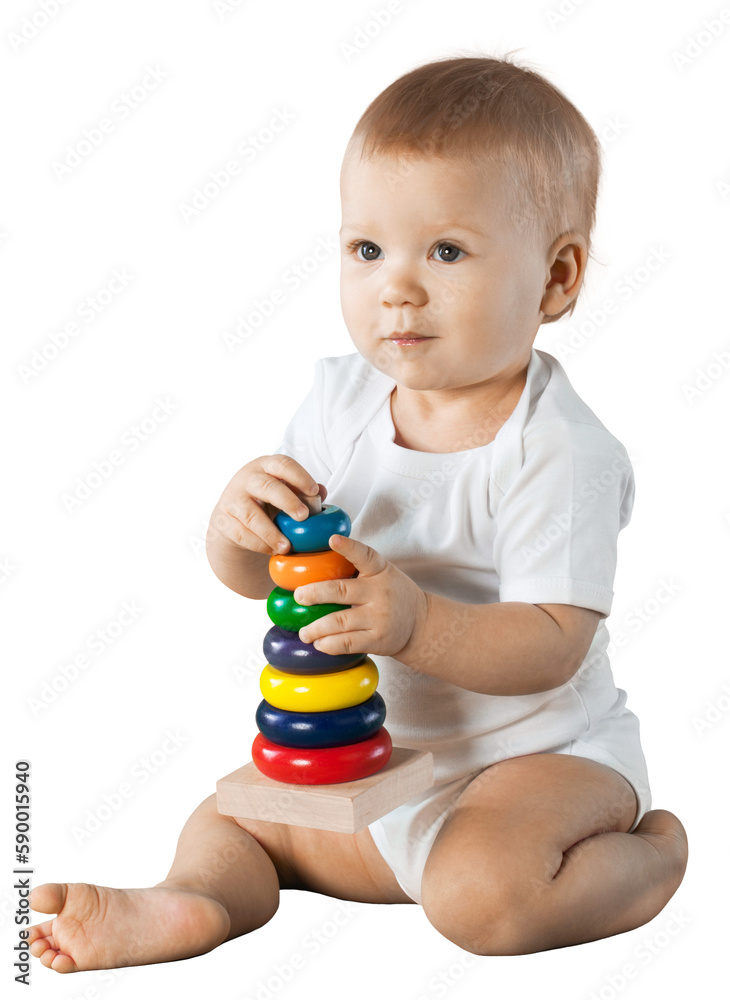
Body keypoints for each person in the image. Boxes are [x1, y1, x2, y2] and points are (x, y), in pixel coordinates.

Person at [28, 53, 688, 970]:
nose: (396, 288)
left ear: (556, 277)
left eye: (446, 252)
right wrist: (235, 531)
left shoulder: (558, 449)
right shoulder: (340, 403)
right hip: (370, 755)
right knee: (234, 817)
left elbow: (552, 644)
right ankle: (194, 901)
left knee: (477, 899)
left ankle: (652, 856)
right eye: (367, 250)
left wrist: (416, 624)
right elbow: (272, 576)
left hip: (534, 761)